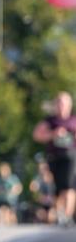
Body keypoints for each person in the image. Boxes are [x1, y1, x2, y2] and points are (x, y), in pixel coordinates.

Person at [33, 92, 76, 226]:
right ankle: (60, 215)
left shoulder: (73, 120)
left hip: (70, 156)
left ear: (69, 105)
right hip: (54, 157)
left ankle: (68, 216)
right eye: (59, 103)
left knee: (68, 186)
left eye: (64, 103)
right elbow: (37, 135)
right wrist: (53, 134)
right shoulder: (50, 121)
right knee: (56, 188)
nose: (62, 106)